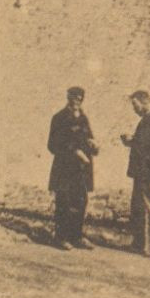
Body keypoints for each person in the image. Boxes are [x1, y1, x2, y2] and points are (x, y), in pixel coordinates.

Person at [46, 87, 98, 250]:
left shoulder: (83, 118)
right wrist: (74, 151)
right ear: (68, 98)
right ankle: (61, 237)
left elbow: (88, 137)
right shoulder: (59, 118)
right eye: (74, 98)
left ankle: (76, 236)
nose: (77, 102)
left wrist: (94, 145)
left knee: (81, 201)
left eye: (80, 99)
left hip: (81, 169)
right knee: (64, 201)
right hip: (65, 168)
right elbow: (53, 145)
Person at [120, 90, 150, 257]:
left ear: (144, 102)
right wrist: (133, 141)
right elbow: (145, 144)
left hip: (149, 172)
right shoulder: (149, 120)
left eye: (135, 105)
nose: (134, 109)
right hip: (146, 172)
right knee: (148, 208)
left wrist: (132, 143)